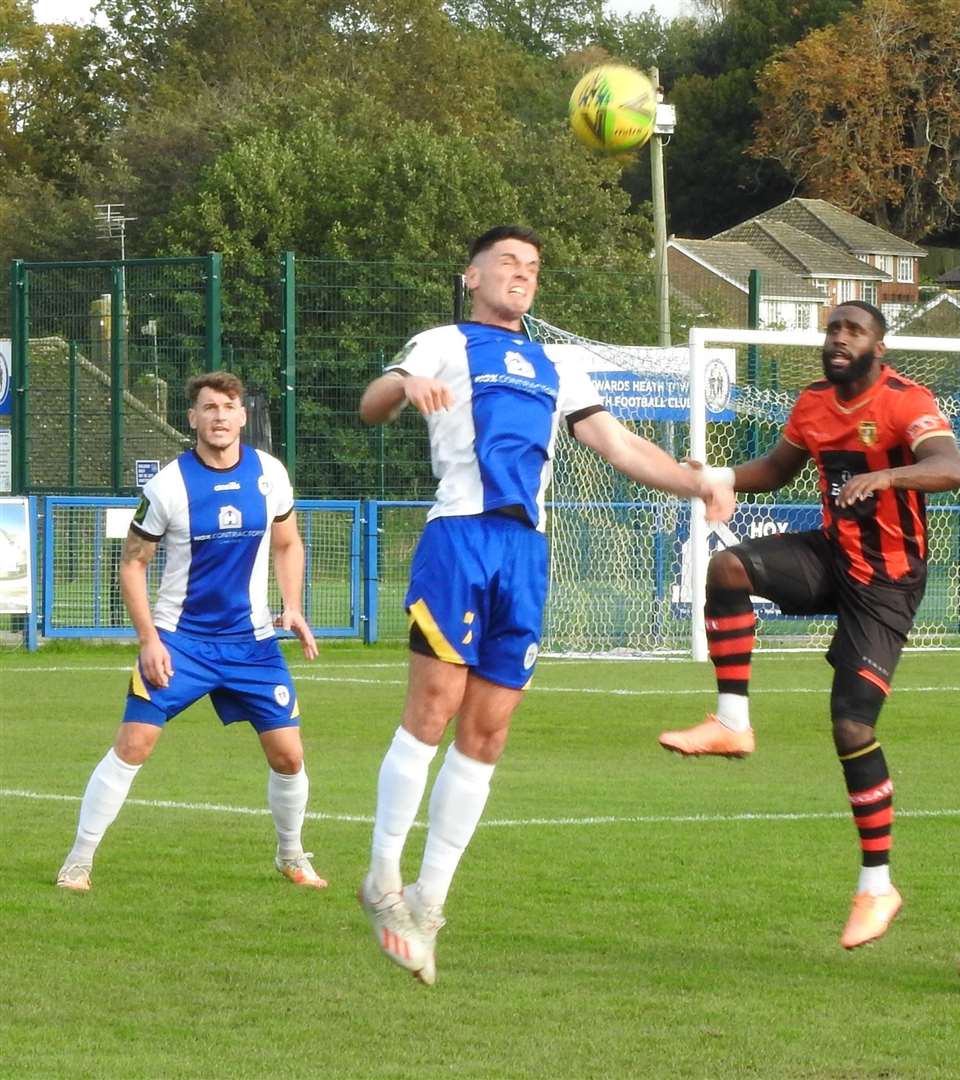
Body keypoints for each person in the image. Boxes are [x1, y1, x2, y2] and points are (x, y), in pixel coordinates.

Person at [356, 224, 735, 985]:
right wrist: (405, 386)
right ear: (472, 276)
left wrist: (697, 482)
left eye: (532, 266)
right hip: (460, 540)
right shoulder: (441, 341)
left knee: (488, 731)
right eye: (507, 264)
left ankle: (431, 902)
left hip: (525, 553)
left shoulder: (559, 362)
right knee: (432, 710)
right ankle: (382, 878)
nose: (521, 275)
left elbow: (620, 447)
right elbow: (371, 404)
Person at [658, 300, 960, 949]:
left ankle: (877, 887)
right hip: (834, 558)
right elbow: (775, 471)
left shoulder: (906, 402)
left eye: (853, 331)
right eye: (833, 329)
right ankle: (732, 723)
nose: (839, 339)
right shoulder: (813, 403)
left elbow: (950, 467)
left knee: (852, 725)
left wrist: (885, 475)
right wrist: (715, 477)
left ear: (878, 348)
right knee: (727, 571)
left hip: (889, 582)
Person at [56, 372, 324, 892]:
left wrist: (292, 606)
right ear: (192, 419)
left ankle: (291, 855)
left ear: (243, 416)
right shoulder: (168, 486)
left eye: (228, 406)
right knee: (133, 745)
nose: (219, 416)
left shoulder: (270, 474)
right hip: (180, 643)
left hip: (252, 644)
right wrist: (149, 640)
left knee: (289, 755)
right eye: (208, 407)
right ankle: (78, 859)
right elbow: (132, 565)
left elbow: (288, 543)